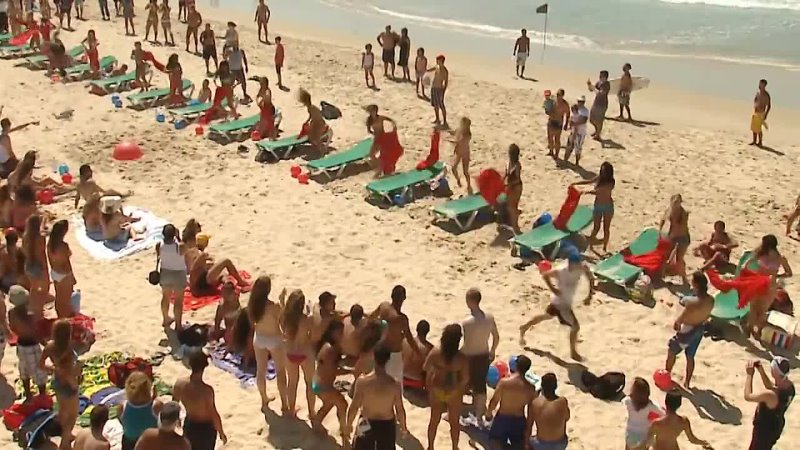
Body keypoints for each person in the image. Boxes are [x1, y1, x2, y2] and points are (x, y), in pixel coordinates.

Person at [519, 252, 595, 361]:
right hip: (561, 304)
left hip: (563, 301)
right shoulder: (561, 271)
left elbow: (591, 278)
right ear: (570, 264)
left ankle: (524, 327)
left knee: (546, 316)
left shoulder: (582, 267)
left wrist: (589, 295)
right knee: (575, 327)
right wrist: (553, 289)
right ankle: (573, 353)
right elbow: (545, 275)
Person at [347, 345, 407, 450]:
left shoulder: (362, 382)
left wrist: (349, 424)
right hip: (387, 424)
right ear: (388, 359)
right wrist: (403, 427)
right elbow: (399, 409)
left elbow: (354, 406)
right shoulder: (394, 384)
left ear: (374, 357)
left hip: (366, 422)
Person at [424, 324, 469, 450]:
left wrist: (435, 372)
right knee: (454, 423)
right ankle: (455, 447)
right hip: (453, 391)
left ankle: (431, 446)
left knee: (434, 421)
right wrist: (459, 389)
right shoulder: (461, 358)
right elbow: (465, 379)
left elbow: (426, 368)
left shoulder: (436, 353)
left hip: (437, 388)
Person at [247, 276, 288, 414]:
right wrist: (282, 301)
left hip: (259, 338)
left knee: (261, 371)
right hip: (274, 339)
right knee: (281, 372)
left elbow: (252, 322)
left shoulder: (252, 305)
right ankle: (284, 404)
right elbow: (282, 320)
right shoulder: (272, 306)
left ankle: (264, 399)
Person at [172, 351, 228, 450]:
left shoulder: (180, 384)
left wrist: (177, 419)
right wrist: (221, 432)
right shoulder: (206, 390)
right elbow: (213, 413)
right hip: (205, 429)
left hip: (190, 425)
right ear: (204, 367)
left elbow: (174, 404)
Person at [371, 285, 421, 392]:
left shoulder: (383, 306)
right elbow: (410, 339)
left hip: (380, 350)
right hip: (394, 354)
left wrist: (381, 325)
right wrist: (419, 353)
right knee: (395, 385)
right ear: (404, 299)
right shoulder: (401, 319)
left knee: (377, 380)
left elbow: (371, 318)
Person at [461, 288, 499, 425]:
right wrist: (493, 351)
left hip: (469, 356)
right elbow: (496, 337)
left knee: (463, 382)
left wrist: (458, 354)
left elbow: (466, 344)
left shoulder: (467, 322)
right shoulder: (489, 318)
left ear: (469, 301)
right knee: (481, 385)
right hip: (483, 355)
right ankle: (478, 417)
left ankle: (456, 411)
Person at [40, 319, 81, 450]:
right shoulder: (69, 348)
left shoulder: (50, 347)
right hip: (69, 383)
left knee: (63, 410)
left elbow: (41, 364)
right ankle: (64, 441)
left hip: (57, 381)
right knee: (73, 414)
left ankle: (66, 435)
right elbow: (71, 371)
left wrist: (54, 369)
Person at [742, 234, 792, 338]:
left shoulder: (760, 254)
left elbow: (744, 266)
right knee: (763, 311)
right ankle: (759, 331)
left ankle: (749, 329)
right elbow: (789, 273)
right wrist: (776, 275)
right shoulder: (780, 258)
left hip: (758, 281)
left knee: (753, 308)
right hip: (771, 285)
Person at [485, 355, 537, 449]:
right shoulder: (531, 388)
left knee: (495, 442)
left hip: (503, 418)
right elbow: (531, 413)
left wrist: (488, 414)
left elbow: (494, 401)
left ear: (516, 366)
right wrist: (527, 432)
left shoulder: (504, 382)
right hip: (519, 420)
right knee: (517, 445)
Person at [311, 320, 350, 442]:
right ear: (332, 332)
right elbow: (332, 371)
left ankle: (317, 423)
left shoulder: (326, 344)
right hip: (324, 386)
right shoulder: (331, 350)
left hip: (316, 383)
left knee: (329, 403)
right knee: (343, 404)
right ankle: (344, 431)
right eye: (339, 332)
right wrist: (350, 372)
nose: (342, 334)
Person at [8, 285, 48, 399]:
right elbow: (35, 331)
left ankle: (28, 395)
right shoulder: (30, 314)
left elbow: (13, 328)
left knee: (24, 370)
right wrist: (44, 343)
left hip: (21, 345)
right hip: (32, 345)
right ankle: (42, 395)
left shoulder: (12, 313)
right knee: (39, 372)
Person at [745, 357, 794, 450]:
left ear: (775, 372)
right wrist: (761, 371)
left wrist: (749, 375)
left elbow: (748, 396)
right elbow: (771, 386)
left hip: (763, 431)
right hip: (776, 426)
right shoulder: (789, 386)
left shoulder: (770, 396)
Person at [281, 289, 316, 417]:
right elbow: (312, 337)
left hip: (290, 353)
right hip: (305, 353)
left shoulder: (285, 318)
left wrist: (282, 301)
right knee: (310, 384)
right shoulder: (307, 319)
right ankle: (312, 412)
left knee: (292, 382)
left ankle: (291, 409)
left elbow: (284, 312)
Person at [186, 228, 247, 297]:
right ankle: (240, 282)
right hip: (202, 282)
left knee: (221, 273)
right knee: (226, 261)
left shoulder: (192, 252)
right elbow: (208, 264)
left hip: (198, 283)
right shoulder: (202, 255)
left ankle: (227, 284)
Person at [571, 162, 615, 253]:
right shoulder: (600, 178)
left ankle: (604, 248)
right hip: (598, 206)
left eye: (604, 170)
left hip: (608, 207)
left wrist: (587, 192)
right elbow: (589, 181)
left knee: (606, 228)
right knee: (596, 228)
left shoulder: (611, 182)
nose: (602, 172)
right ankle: (591, 246)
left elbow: (601, 191)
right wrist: (577, 183)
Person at [643, 392, 712, 450]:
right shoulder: (684, 421)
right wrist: (704, 443)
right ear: (679, 405)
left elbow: (647, 441)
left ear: (666, 403)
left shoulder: (656, 423)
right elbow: (692, 439)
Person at [118, 371, 161, 450]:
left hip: (130, 443)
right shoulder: (156, 405)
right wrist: (154, 398)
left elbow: (122, 421)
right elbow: (163, 422)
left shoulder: (122, 406)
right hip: (149, 443)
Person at [155, 224, 187, 329]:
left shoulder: (159, 245)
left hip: (165, 272)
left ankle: (165, 319)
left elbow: (159, 256)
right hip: (178, 273)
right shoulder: (179, 246)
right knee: (178, 301)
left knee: (165, 297)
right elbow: (184, 249)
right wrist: (178, 237)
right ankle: (178, 325)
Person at [530, 373, 569, 450]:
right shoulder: (563, 401)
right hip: (560, 444)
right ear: (556, 387)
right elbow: (567, 418)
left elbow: (529, 425)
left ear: (542, 387)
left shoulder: (536, 403)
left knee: (531, 440)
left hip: (541, 445)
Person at [22, 214, 49, 320]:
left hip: (28, 265)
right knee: (44, 290)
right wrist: (45, 269)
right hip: (39, 265)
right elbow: (42, 255)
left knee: (33, 288)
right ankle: (39, 310)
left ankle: (32, 308)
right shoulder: (40, 238)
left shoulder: (25, 237)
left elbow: (24, 251)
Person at [659, 194, 691, 285]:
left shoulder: (683, 213)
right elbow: (663, 220)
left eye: (678, 202)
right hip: (672, 237)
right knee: (665, 256)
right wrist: (660, 232)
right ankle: (661, 276)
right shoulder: (669, 211)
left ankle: (684, 278)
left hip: (682, 238)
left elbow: (681, 227)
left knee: (679, 259)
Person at [623, 378, 662, 450]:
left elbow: (624, 400)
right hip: (643, 436)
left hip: (630, 433)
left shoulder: (628, 401)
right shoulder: (650, 406)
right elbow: (662, 413)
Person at [47, 220, 75, 318]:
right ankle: (65, 318)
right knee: (66, 300)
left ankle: (60, 316)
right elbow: (66, 263)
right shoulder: (63, 246)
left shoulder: (50, 245)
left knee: (59, 298)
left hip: (55, 273)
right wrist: (72, 277)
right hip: (64, 274)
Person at [402, 319, 433, 389]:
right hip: (418, 382)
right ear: (427, 332)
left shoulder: (404, 341)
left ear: (416, 329)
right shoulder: (430, 348)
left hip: (402, 378)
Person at [449, 117, 473, 194]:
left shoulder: (468, 134)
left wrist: (452, 141)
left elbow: (460, 142)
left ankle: (469, 185)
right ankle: (458, 180)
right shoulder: (459, 130)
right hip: (459, 153)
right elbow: (455, 133)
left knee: (465, 172)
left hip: (465, 154)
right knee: (453, 168)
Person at [504, 143, 523, 234]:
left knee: (513, 207)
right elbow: (505, 175)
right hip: (510, 186)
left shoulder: (517, 165)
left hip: (516, 187)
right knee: (510, 206)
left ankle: (515, 226)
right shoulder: (508, 163)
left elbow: (517, 179)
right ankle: (513, 224)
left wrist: (509, 184)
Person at [587, 70, 610, 141]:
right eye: (599, 75)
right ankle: (597, 131)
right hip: (596, 102)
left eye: (601, 76)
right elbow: (591, 90)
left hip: (602, 104)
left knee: (599, 120)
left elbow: (600, 93)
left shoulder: (606, 84)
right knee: (591, 119)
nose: (599, 77)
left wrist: (593, 88)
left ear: (605, 77)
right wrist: (589, 85)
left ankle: (598, 134)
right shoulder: (598, 83)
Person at [547, 89, 570, 159]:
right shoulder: (553, 100)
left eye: (559, 95)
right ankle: (551, 151)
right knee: (550, 138)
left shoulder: (565, 104)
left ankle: (556, 154)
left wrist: (566, 123)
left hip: (558, 123)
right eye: (557, 94)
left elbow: (568, 114)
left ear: (562, 96)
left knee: (557, 139)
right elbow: (548, 108)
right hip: (551, 120)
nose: (557, 96)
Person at [428, 55, 449, 128]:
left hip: (439, 89)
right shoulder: (437, 66)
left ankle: (445, 121)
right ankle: (437, 119)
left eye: (438, 60)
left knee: (441, 105)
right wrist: (427, 70)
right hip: (433, 87)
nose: (437, 61)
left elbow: (446, 82)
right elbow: (433, 68)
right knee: (435, 105)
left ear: (442, 61)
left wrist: (444, 91)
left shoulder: (445, 71)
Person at [750, 79, 771, 147]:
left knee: (759, 129)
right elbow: (755, 99)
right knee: (753, 128)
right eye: (759, 84)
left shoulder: (766, 95)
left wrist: (766, 114)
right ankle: (754, 141)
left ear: (764, 85)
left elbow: (769, 106)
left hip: (761, 113)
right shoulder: (758, 92)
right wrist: (755, 104)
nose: (760, 85)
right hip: (755, 112)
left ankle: (760, 142)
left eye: (761, 84)